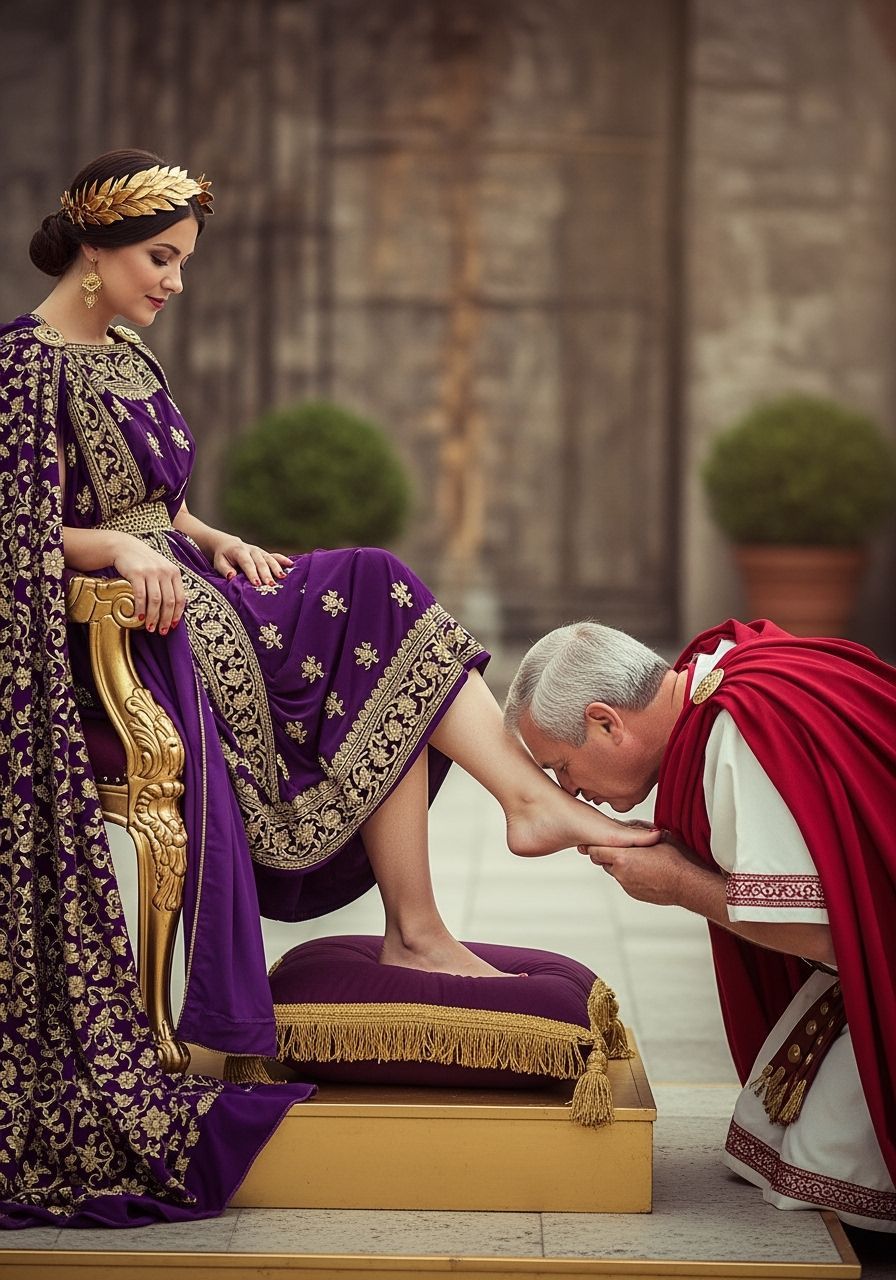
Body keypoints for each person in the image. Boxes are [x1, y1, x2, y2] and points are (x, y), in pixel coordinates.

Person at [0, 149, 657, 1228]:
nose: (173, 281)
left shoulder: (125, 352)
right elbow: (21, 529)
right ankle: (507, 824)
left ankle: (433, 908)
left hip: (190, 585)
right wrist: (115, 553)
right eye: (159, 258)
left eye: (181, 261)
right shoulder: (23, 365)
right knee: (369, 596)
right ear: (94, 248)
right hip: (126, 634)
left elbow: (160, 500)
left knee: (371, 590)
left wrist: (213, 535)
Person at [504, 618, 896, 1234]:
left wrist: (681, 884)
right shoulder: (716, 667)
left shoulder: (735, 730)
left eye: (561, 766)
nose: (569, 790)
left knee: (828, 1174)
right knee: (767, 1139)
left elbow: (836, 936)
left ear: (607, 721)